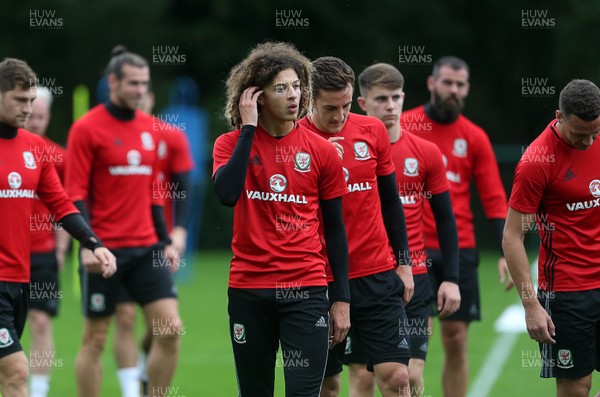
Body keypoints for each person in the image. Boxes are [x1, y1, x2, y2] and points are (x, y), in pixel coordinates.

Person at [212, 41, 351, 397]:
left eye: (296, 86)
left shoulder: (321, 151)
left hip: (305, 290)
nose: (293, 96)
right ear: (257, 97)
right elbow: (227, 194)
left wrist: (341, 299)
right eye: (280, 89)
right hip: (249, 290)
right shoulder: (229, 145)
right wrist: (247, 129)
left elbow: (335, 229)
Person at [66, 46, 181, 397]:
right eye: (133, 83)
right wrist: (89, 245)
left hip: (146, 248)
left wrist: (166, 241)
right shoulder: (86, 129)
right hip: (105, 252)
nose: (140, 91)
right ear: (113, 82)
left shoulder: (151, 130)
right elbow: (75, 194)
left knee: (170, 329)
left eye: (144, 84)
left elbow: (152, 195)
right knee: (96, 339)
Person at [299, 56, 414, 397]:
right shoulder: (293, 140)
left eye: (346, 106)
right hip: (318, 278)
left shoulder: (372, 130)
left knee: (397, 378)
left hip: (376, 274)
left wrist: (404, 262)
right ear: (308, 98)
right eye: (329, 108)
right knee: (328, 385)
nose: (339, 117)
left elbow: (391, 202)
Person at [0, 57, 116, 397]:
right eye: (20, 100)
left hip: (19, 279)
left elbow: (62, 205)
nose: (28, 108)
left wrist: (94, 243)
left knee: (10, 375)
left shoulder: (36, 150)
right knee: (17, 370)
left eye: (32, 100)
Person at [344, 62, 460, 397]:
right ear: (363, 104)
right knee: (362, 377)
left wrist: (450, 278)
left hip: (416, 275)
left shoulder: (426, 153)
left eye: (396, 97)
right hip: (366, 274)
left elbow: (445, 219)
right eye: (381, 99)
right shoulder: (351, 152)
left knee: (408, 375)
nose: (391, 105)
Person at [400, 56, 508, 397]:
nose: (453, 90)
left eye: (460, 85)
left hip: (459, 250)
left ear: (468, 90)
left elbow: (493, 197)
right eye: (447, 82)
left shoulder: (474, 137)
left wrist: (507, 252)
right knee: (414, 342)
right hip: (412, 249)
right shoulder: (403, 125)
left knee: (457, 340)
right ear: (432, 84)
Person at [503, 79, 600, 397]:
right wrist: (531, 306)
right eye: (579, 135)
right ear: (559, 116)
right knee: (577, 388)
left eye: (594, 134)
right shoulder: (536, 162)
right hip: (569, 293)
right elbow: (513, 237)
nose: (587, 143)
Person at [112, 85, 194, 397]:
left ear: (151, 97)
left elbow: (183, 187)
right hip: (117, 243)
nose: (138, 99)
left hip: (158, 243)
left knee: (160, 326)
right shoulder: (108, 135)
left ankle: (147, 374)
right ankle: (131, 391)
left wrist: (179, 232)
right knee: (125, 315)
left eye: (144, 92)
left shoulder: (170, 136)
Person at [25, 86, 71, 397]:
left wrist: (60, 249)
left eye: (41, 116)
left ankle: (38, 391)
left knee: (41, 322)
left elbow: (66, 208)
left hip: (42, 254)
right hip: (6, 255)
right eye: (31, 115)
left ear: (48, 117)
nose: (35, 121)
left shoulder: (58, 157)